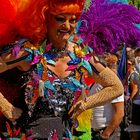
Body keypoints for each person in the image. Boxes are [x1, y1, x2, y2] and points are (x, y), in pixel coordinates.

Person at [1, 0, 139, 139]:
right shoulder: (28, 53)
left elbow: (116, 87)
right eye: (60, 19)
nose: (67, 26)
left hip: (65, 134)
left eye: (72, 20)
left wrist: (85, 104)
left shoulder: (80, 55)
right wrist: (7, 109)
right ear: (45, 19)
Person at [91, 54, 124, 140]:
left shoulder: (113, 85)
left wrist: (106, 134)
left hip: (107, 133)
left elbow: (120, 113)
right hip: (95, 132)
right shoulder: (95, 83)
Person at [125, 52, 140, 140]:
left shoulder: (134, 74)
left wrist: (129, 101)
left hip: (136, 105)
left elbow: (135, 89)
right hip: (136, 104)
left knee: (135, 129)